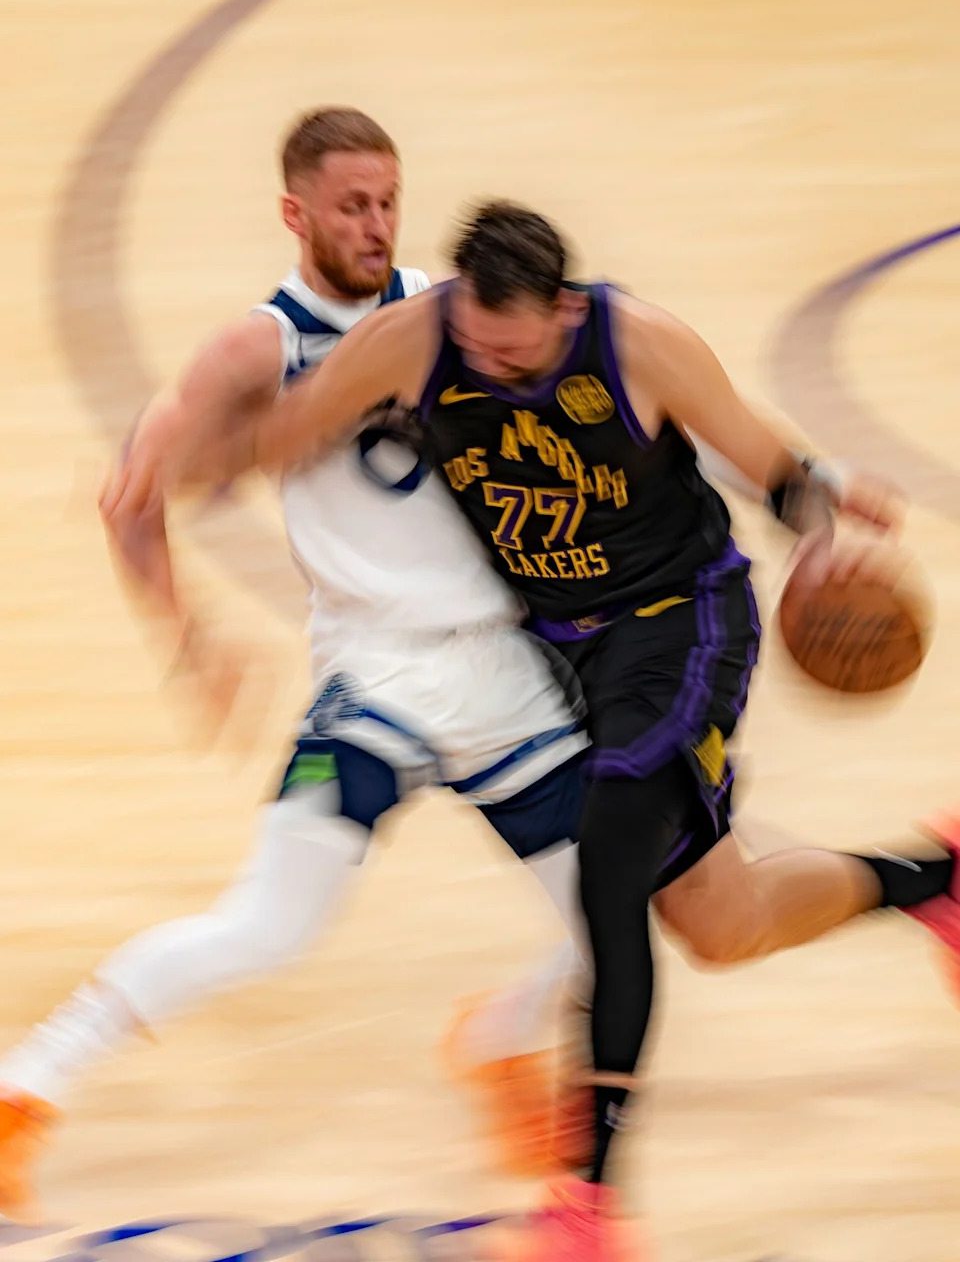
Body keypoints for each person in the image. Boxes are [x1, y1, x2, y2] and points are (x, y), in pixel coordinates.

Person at [144, 198, 960, 1260]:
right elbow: (284, 433)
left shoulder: (643, 346)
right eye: (479, 347)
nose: (497, 366)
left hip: (679, 626)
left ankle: (587, 1203)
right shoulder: (413, 342)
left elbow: (781, 471)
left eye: (517, 351)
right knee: (721, 922)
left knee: (609, 872)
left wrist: (816, 539)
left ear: (564, 310)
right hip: (558, 652)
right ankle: (934, 878)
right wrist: (162, 459)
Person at [0, 122, 595, 1220]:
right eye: (352, 205)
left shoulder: (450, 308)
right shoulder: (258, 349)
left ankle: (498, 1041)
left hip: (507, 677)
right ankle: (24, 1086)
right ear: (297, 215)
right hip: (377, 681)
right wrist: (188, 639)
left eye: (388, 201)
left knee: (621, 906)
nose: (375, 225)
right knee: (268, 925)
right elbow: (130, 493)